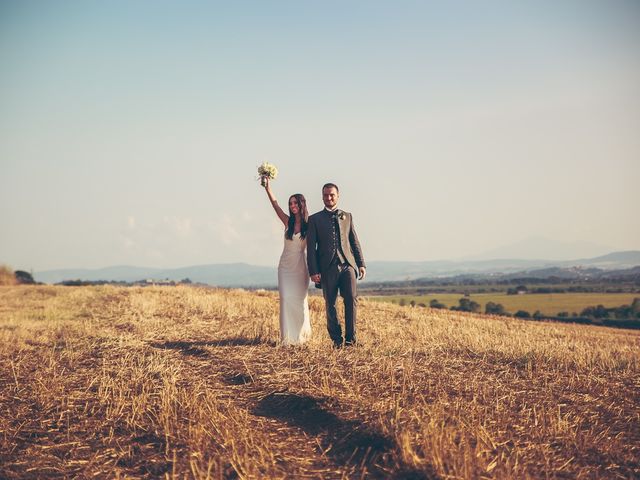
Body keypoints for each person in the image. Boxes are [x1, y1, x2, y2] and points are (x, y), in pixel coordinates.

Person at [307, 183, 366, 348]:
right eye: (326, 195)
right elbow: (311, 248)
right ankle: (337, 340)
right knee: (330, 304)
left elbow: (354, 242)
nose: (329, 198)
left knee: (351, 300)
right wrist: (313, 271)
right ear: (322, 197)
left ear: (338, 196)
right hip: (327, 268)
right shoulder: (314, 219)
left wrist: (361, 264)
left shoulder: (348, 216)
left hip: (348, 265)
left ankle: (350, 340)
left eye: (332, 195)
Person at [263, 177, 312, 345]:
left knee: (299, 300)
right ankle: (287, 338)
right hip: (285, 267)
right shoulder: (287, 221)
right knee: (285, 298)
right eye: (290, 204)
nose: (292, 206)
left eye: (295, 203)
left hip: (300, 268)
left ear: (301, 205)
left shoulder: (310, 224)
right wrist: (267, 188)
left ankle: (301, 337)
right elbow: (275, 205)